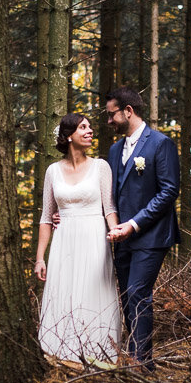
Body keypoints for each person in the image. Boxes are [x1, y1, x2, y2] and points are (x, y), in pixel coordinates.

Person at [35, 113, 123, 363]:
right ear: (68, 135)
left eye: (90, 127)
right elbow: (45, 217)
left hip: (94, 239)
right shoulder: (53, 171)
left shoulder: (101, 167)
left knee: (94, 292)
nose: (89, 131)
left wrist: (115, 231)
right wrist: (40, 258)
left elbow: (109, 208)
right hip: (64, 241)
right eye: (82, 127)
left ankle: (99, 354)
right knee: (64, 293)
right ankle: (60, 355)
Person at [104, 86, 179, 371]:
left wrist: (134, 224)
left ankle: (141, 363)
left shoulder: (161, 144)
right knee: (126, 296)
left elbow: (169, 190)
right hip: (120, 239)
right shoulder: (114, 150)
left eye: (112, 115)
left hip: (151, 235)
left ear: (128, 111)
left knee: (137, 292)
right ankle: (134, 356)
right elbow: (109, 194)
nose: (109, 121)